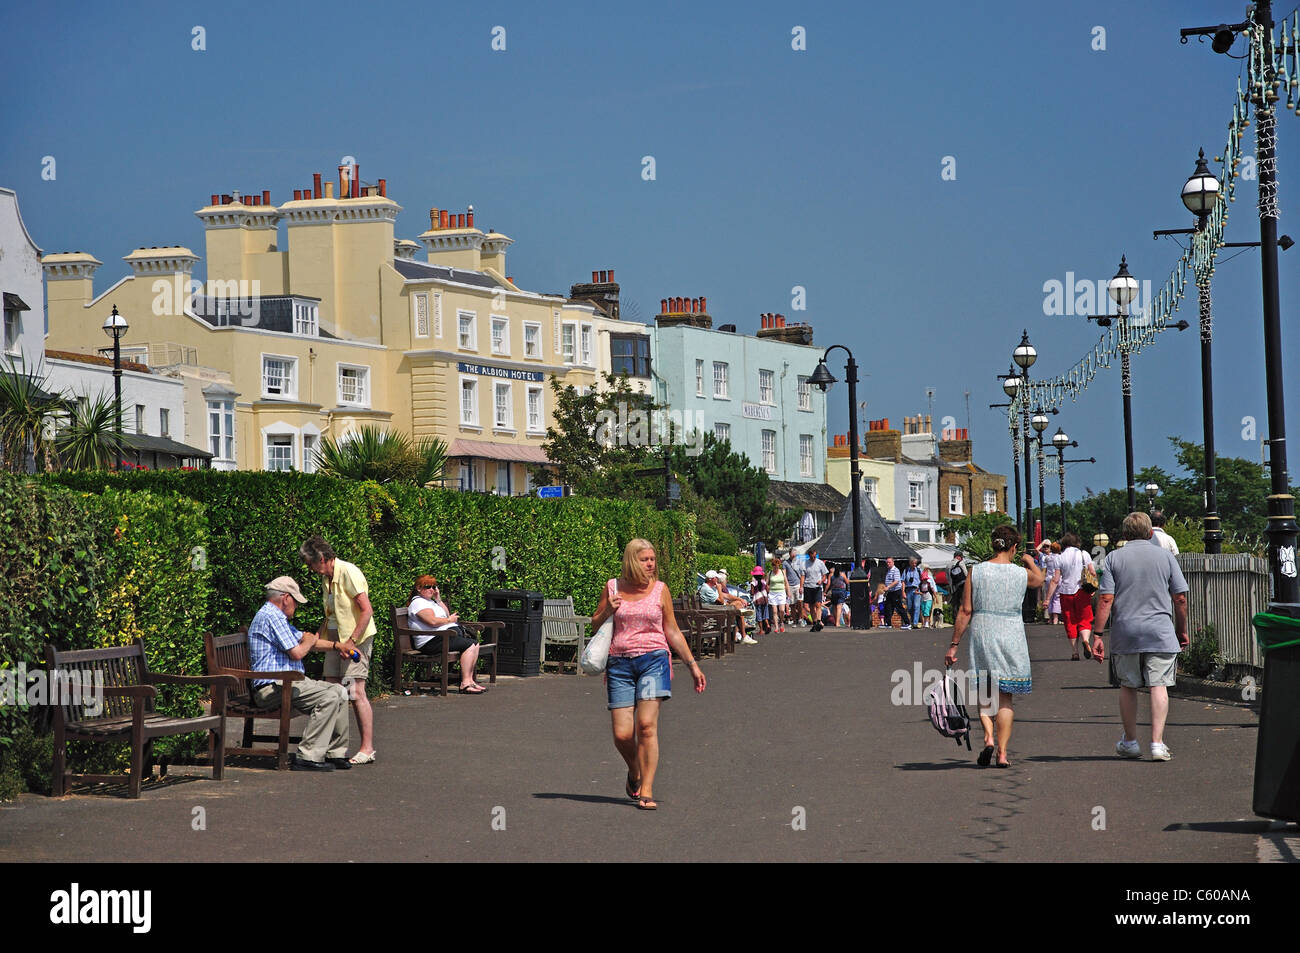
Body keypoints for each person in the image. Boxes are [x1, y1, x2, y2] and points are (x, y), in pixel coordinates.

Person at [590, 538, 706, 810]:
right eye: (645, 559)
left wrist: (692, 665)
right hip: (619, 665)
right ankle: (635, 771)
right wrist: (609, 609)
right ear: (632, 560)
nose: (651, 563)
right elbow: (595, 623)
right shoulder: (613, 587)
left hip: (654, 661)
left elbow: (673, 631)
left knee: (646, 726)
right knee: (621, 734)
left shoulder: (660, 590)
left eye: (653, 559)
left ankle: (647, 790)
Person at [1090, 512, 1189, 762]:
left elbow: (1105, 599)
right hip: (1160, 631)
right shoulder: (1166, 557)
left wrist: (1098, 634)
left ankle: (1131, 741)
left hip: (1126, 631)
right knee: (1159, 685)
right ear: (1149, 533)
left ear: (1124, 535)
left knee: (1128, 685)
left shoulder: (1114, 558)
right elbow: (1180, 598)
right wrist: (1181, 629)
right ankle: (1157, 744)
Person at [945, 525, 1044, 768]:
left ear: (993, 545)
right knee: (1006, 697)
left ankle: (988, 737)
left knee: (986, 691)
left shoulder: (976, 572)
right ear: (1013, 547)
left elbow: (965, 610)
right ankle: (1002, 753)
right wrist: (1030, 560)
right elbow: (1040, 579)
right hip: (1011, 631)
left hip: (984, 630)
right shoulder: (1020, 573)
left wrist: (954, 645)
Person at [247, 576, 351, 771]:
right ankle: (308, 756)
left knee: (340, 691)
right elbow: (297, 652)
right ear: (285, 598)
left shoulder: (278, 617)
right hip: (272, 687)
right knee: (328, 697)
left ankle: (335, 752)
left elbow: (305, 639)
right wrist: (310, 641)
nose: (296, 606)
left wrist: (337, 646)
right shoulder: (272, 616)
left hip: (286, 683)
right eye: (295, 601)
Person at [300, 535, 378, 765]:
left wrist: (352, 642)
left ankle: (367, 748)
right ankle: (334, 749)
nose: (310, 568)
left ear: (322, 558)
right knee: (333, 691)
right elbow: (332, 614)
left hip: (356, 637)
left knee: (355, 692)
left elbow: (366, 610)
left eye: (311, 563)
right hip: (335, 638)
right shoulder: (327, 577)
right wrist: (318, 636)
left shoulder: (349, 572)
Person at [407, 575, 487, 694]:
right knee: (469, 645)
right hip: (430, 642)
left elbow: (446, 614)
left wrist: (438, 599)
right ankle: (465, 683)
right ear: (419, 588)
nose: (432, 589)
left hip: (440, 637)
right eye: (428, 586)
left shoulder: (431, 601)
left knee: (474, 644)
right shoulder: (418, 602)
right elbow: (432, 621)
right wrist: (449, 620)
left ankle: (470, 681)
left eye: (434, 587)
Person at [1055, 533, 1095, 661]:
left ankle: (1075, 652)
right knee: (1085, 619)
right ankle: (1085, 640)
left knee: (1070, 621)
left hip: (1066, 592)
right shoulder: (1084, 554)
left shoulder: (1059, 557)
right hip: (1082, 591)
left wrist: (1047, 598)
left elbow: (1056, 579)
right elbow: (1092, 572)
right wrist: (1093, 587)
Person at [803, 549, 829, 631]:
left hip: (817, 586)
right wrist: (801, 586)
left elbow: (825, 575)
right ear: (809, 555)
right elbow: (803, 576)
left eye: (815, 556)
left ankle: (818, 621)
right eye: (812, 556)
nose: (814, 557)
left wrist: (821, 580)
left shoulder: (820, 563)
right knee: (811, 605)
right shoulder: (805, 563)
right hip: (808, 586)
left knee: (818, 604)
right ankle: (815, 622)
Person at [1043, 542, 1063, 624]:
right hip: (1058, 578)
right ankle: (1056, 618)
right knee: (1057, 597)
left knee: (1050, 597)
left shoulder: (1048, 558)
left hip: (1049, 578)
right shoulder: (1060, 558)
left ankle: (1050, 618)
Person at [782, 553, 804, 626]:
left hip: (798, 584)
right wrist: (786, 585)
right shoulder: (785, 563)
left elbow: (802, 575)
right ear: (789, 554)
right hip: (790, 585)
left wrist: (801, 586)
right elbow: (784, 574)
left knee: (800, 602)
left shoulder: (799, 562)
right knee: (792, 604)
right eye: (792, 554)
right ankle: (794, 620)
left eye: (795, 554)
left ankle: (800, 618)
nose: (794, 556)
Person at [882, 557, 904, 628]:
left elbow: (896, 581)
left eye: (889, 562)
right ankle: (888, 623)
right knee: (888, 607)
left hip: (896, 591)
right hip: (890, 592)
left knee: (899, 607)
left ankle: (907, 622)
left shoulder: (895, 570)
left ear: (893, 562)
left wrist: (888, 587)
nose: (888, 564)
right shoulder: (888, 570)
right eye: (887, 562)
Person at [767, 557, 788, 632]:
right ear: (772, 566)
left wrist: (788, 592)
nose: (776, 568)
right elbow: (767, 584)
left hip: (781, 592)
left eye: (777, 567)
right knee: (775, 611)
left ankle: (781, 622)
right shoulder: (770, 573)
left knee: (782, 610)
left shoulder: (782, 572)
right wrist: (767, 591)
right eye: (774, 567)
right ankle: (776, 627)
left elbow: (786, 582)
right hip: (772, 593)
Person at [749, 566, 771, 635]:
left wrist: (751, 592)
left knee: (759, 614)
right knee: (765, 613)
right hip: (764, 598)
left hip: (757, 599)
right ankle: (767, 624)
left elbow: (752, 592)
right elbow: (767, 590)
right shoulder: (764, 582)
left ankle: (761, 630)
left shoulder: (753, 583)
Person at [902, 556, 923, 630]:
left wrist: (921, 590)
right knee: (910, 607)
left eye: (915, 563)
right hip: (909, 590)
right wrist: (903, 592)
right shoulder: (906, 570)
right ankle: (913, 619)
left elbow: (922, 580)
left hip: (916, 590)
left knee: (916, 606)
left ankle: (915, 623)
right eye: (913, 563)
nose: (914, 565)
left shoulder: (919, 570)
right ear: (910, 563)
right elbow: (903, 581)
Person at [948, 551, 968, 616]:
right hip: (963, 586)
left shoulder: (948, 565)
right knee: (964, 602)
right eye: (961, 557)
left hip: (954, 587)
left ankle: (956, 618)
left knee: (956, 604)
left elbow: (949, 579)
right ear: (958, 557)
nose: (962, 559)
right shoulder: (961, 563)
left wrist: (951, 589)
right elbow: (966, 574)